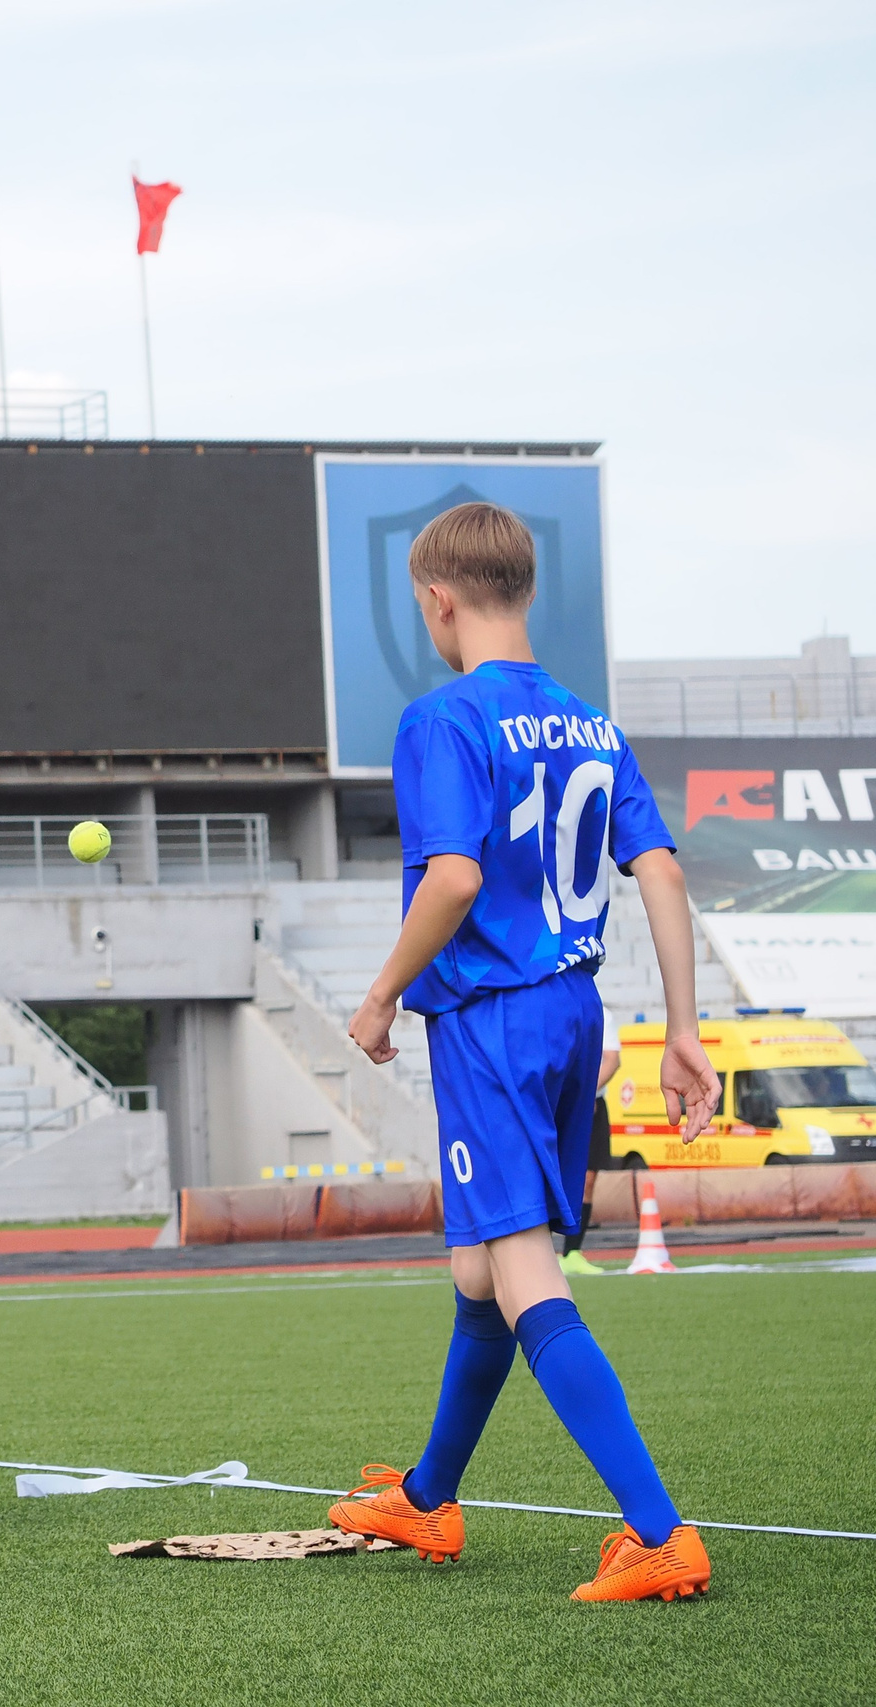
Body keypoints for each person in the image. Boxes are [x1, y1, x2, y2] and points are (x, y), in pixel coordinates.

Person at [334, 502, 721, 1602]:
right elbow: (661, 872)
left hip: (492, 1022)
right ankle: (426, 1497)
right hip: (572, 1011)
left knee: (520, 1270)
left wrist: (379, 996)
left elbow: (453, 877)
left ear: (436, 601)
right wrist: (681, 1030)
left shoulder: (441, 718)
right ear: (525, 589)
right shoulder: (591, 723)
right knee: (479, 1270)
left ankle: (659, 1533)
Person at [558, 1014, 623, 1276]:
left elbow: (612, 1059)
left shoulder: (603, 1013)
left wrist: (585, 1094)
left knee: (587, 1179)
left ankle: (571, 1252)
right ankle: (533, 1251)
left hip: (590, 1104)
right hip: (554, 1100)